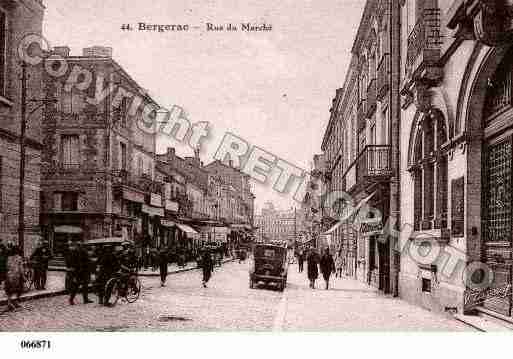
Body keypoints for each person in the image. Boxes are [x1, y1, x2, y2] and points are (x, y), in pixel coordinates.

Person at [4, 246, 25, 310]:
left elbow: (7, 266)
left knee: (9, 290)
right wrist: (23, 276)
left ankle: (9, 303)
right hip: (17, 276)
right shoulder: (19, 258)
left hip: (9, 275)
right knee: (19, 289)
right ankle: (15, 302)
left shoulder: (8, 258)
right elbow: (21, 269)